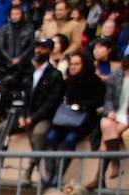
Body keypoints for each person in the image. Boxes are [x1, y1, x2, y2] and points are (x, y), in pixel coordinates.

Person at [0, 38, 64, 187]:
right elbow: (20, 95)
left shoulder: (55, 75)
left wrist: (33, 118)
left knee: (40, 133)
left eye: (43, 48)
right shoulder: (27, 72)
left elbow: (52, 102)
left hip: (42, 116)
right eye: (37, 47)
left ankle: (30, 170)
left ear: (49, 50)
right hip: (23, 114)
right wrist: (22, 116)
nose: (39, 51)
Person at [43, 51, 105, 187]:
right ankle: (50, 174)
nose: (73, 67)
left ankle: (59, 174)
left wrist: (81, 105)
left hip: (83, 120)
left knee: (70, 139)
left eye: (76, 64)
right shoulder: (66, 81)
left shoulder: (94, 81)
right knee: (51, 137)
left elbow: (98, 101)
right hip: (64, 119)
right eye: (71, 64)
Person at [92, 54, 129, 188]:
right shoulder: (117, 75)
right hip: (116, 113)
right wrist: (110, 111)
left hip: (127, 116)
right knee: (106, 124)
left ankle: (99, 177)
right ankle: (113, 164)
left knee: (105, 140)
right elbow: (108, 98)